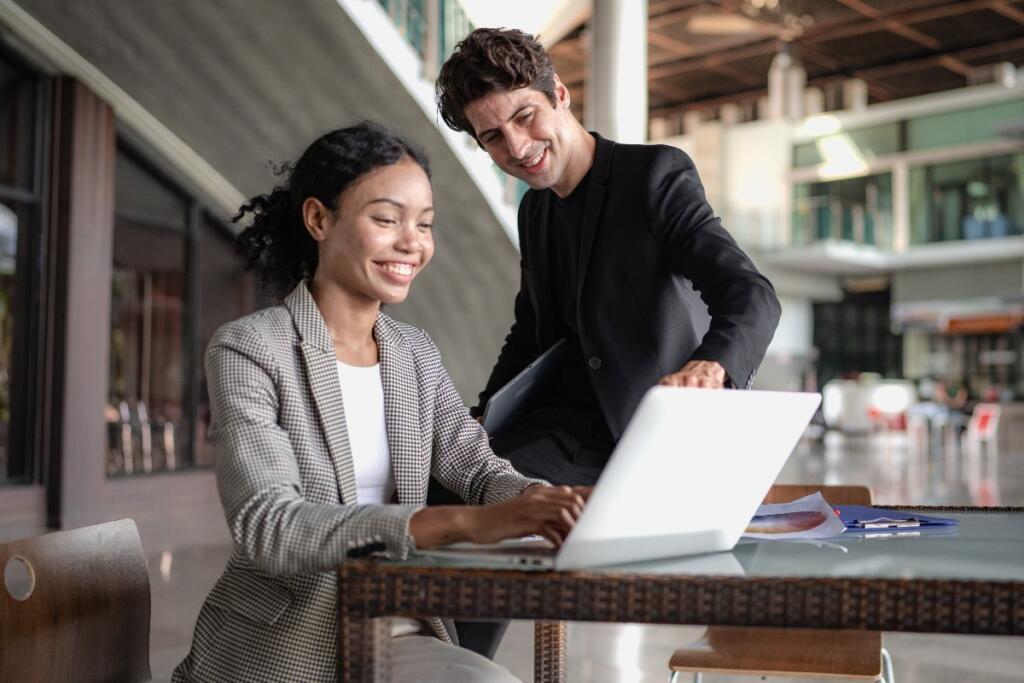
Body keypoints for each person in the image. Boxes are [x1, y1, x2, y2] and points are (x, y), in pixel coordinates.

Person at [173, 122, 587, 682]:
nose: (412, 242)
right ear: (319, 219)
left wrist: (544, 500)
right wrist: (467, 522)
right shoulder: (251, 348)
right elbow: (268, 525)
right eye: (387, 220)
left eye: (424, 224)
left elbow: (475, 466)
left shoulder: (412, 353)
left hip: (397, 627)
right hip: (287, 645)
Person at [433, 28, 782, 657]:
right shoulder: (534, 211)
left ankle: (455, 666)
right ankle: (444, 660)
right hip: (557, 428)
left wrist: (710, 367)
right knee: (439, 483)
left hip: (634, 433)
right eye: (492, 137)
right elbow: (530, 330)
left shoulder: (654, 176)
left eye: (525, 116)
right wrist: (483, 413)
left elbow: (751, 295)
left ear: (560, 94)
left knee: (481, 509)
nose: (516, 146)